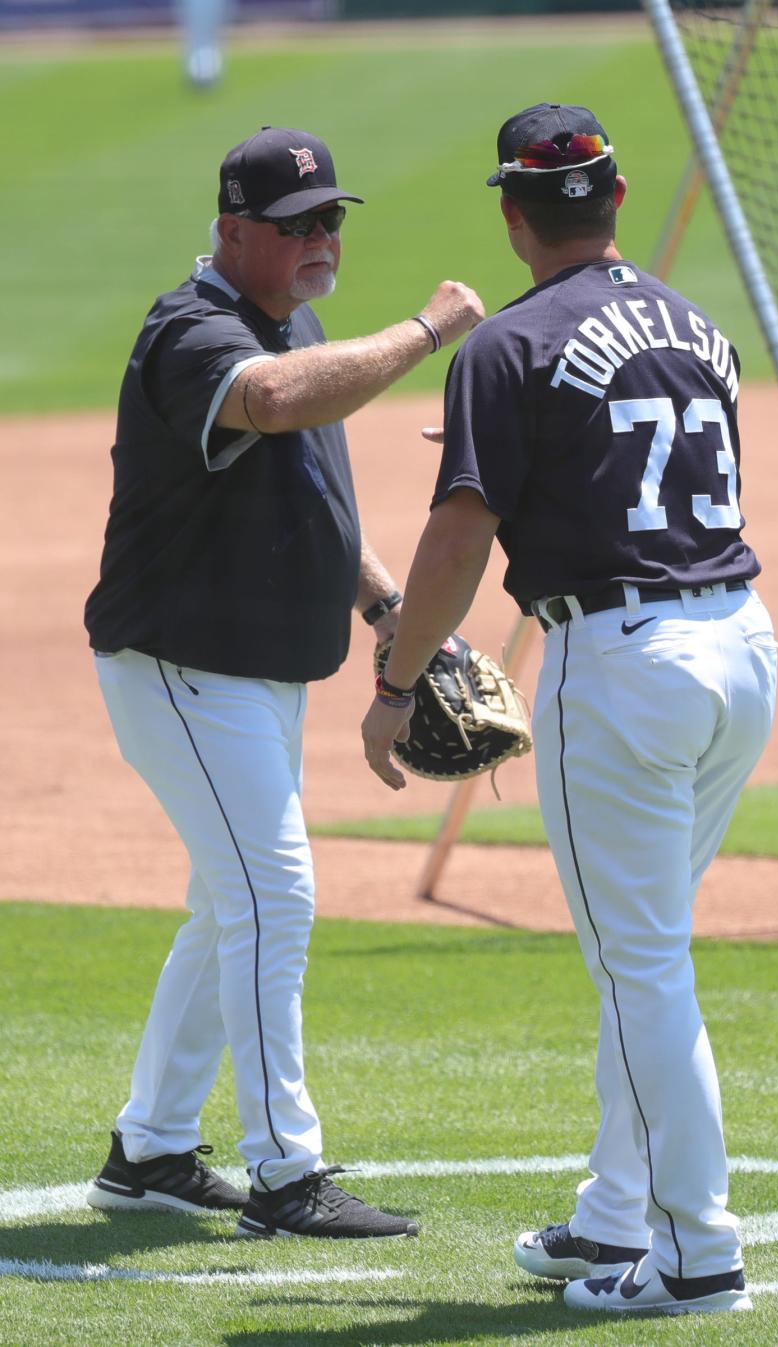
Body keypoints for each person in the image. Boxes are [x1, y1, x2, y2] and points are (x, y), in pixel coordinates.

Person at [361, 103, 777, 1314]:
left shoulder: (506, 347)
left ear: (509, 213)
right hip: (741, 648)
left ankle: (698, 1252)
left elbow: (455, 538)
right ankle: (611, 1221)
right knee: (636, 954)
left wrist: (395, 686)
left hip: (625, 667)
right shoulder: (697, 327)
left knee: (640, 965)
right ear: (619, 194)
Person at [83, 125, 483, 1241]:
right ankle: (286, 1174)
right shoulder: (195, 333)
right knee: (275, 895)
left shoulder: (287, 325)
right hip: (180, 668)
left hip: (252, 671)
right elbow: (276, 404)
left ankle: (150, 1150)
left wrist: (389, 609)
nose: (320, 241)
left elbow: (310, 491)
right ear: (230, 233)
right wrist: (427, 329)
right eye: (295, 225)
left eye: (332, 221)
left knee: (232, 907)